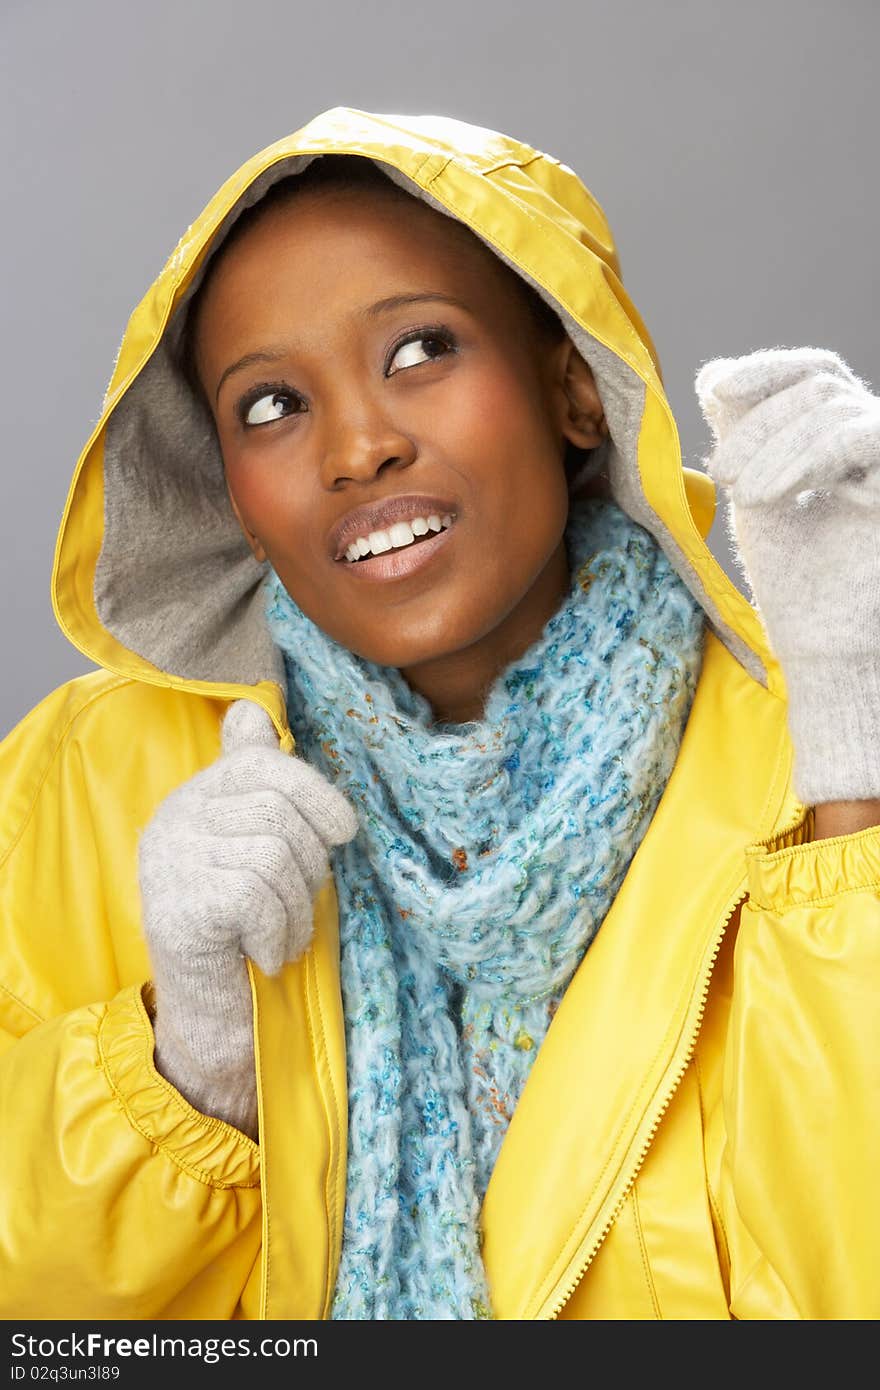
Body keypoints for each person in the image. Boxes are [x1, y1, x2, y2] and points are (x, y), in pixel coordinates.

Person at [1, 106, 878, 1322]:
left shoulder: (808, 727)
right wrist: (190, 1061)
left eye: (419, 348)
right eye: (269, 407)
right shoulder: (83, 783)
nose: (357, 448)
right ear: (233, 501)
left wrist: (853, 754)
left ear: (572, 388)